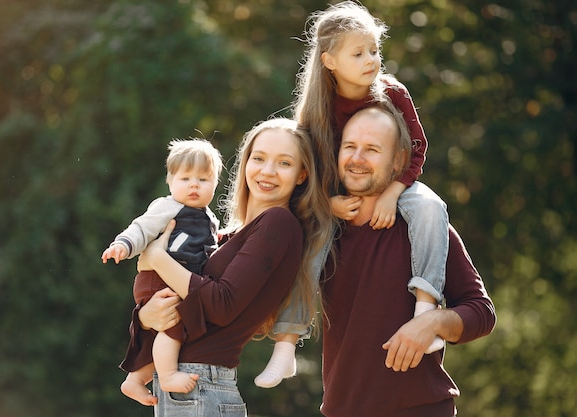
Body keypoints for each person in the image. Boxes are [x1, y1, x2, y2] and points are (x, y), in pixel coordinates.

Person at [255, 0, 449, 388]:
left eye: (375, 50)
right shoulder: (316, 111)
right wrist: (327, 203)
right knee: (310, 236)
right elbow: (306, 171)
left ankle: (424, 310)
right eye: (358, 53)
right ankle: (286, 345)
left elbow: (417, 148)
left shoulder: (392, 93)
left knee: (431, 206)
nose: (371, 60)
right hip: (336, 196)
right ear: (329, 61)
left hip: (393, 184)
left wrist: (393, 193)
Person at [133, 118, 332, 416]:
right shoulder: (227, 237)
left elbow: (221, 304)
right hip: (187, 386)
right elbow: (177, 301)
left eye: (284, 163)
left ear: (302, 175)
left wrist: (157, 258)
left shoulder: (278, 223)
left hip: (202, 385)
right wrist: (146, 317)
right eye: (259, 158)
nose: (267, 171)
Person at [321, 103, 496, 416]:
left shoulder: (423, 227)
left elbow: (481, 312)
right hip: (340, 409)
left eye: (372, 149)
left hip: (422, 409)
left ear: (398, 160)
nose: (357, 159)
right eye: (350, 147)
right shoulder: (321, 234)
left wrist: (432, 322)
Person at [101, 139, 223, 405]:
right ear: (170, 181)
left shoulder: (210, 219)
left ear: (215, 184)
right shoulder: (167, 207)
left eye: (203, 179)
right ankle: (166, 376)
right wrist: (123, 245)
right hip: (158, 277)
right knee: (173, 326)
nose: (194, 184)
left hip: (178, 280)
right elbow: (141, 228)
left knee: (174, 329)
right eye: (185, 178)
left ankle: (135, 380)